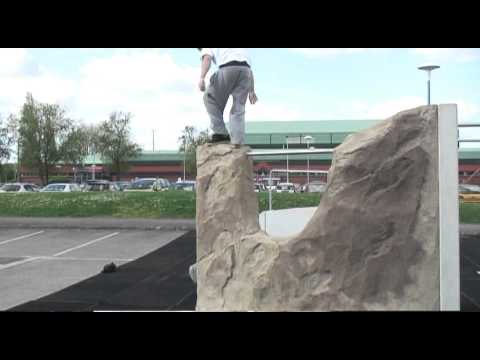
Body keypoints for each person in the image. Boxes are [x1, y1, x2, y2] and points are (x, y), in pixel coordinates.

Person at [198, 48, 258, 144]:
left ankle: (220, 133)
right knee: (239, 109)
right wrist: (251, 90)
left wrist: (202, 78)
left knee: (209, 97)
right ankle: (237, 142)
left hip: (228, 68)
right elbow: (247, 67)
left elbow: (207, 58)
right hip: (245, 71)